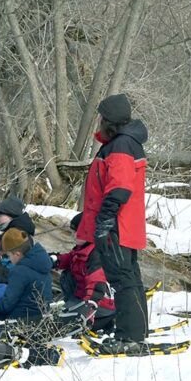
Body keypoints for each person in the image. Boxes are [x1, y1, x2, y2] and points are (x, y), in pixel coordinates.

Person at [76, 93, 149, 352]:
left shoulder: (120, 145)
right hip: (124, 224)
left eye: (101, 117)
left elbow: (119, 188)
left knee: (122, 280)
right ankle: (136, 332)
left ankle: (130, 338)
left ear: (109, 120)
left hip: (117, 224)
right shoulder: (124, 143)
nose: (98, 121)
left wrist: (105, 220)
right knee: (129, 278)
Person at [53, 212, 116, 333]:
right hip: (83, 299)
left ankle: (98, 321)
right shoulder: (82, 249)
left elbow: (96, 286)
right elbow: (69, 258)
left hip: (100, 306)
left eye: (77, 232)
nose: (74, 235)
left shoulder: (97, 255)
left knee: (66, 319)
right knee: (68, 274)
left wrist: (87, 311)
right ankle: (72, 308)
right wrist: (54, 260)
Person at [0, 229, 52, 332]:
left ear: (17, 254)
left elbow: (6, 305)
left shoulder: (19, 271)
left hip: (18, 323)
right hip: (38, 321)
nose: (9, 259)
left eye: (8, 255)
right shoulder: (42, 263)